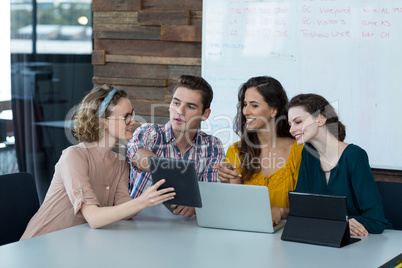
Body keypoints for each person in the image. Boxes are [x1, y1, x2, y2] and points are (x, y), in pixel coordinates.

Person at [21, 85, 175, 240]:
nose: (133, 121)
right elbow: (94, 218)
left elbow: (126, 211)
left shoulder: (120, 163)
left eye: (132, 114)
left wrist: (155, 193)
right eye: (126, 116)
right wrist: (142, 201)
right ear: (104, 122)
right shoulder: (74, 157)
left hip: (73, 244)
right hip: (40, 244)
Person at [288, 93, 392, 236]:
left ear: (320, 119)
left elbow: (376, 221)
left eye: (298, 122)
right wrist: (339, 222)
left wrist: (329, 221)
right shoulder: (308, 154)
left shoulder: (354, 155)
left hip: (364, 244)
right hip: (328, 240)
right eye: (290, 124)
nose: (291, 130)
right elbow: (300, 212)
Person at [126, 75, 224, 217]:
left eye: (190, 107)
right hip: (138, 223)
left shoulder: (212, 146)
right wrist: (187, 193)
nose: (180, 111)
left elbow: (212, 191)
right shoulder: (148, 133)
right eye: (176, 103)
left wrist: (197, 205)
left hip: (188, 230)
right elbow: (138, 157)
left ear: (205, 114)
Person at [214, 76, 303, 225]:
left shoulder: (299, 150)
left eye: (254, 105)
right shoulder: (236, 151)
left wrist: (282, 211)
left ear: (274, 110)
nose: (246, 111)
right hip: (246, 236)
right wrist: (226, 181)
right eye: (245, 104)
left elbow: (308, 206)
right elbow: (235, 208)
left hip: (288, 238)